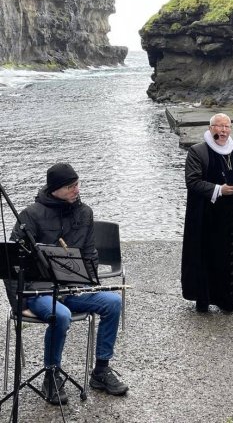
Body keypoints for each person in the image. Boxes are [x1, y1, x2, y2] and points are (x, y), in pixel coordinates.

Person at [6, 163, 128, 405]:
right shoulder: (30, 215)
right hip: (40, 292)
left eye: (77, 184)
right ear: (55, 189)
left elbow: (90, 254)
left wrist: (88, 281)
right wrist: (19, 302)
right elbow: (11, 264)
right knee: (60, 315)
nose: (76, 190)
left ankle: (101, 371)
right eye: (70, 186)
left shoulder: (85, 213)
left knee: (113, 302)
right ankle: (51, 374)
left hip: (72, 288)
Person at [181, 113, 233, 313]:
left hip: (232, 215)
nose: (223, 131)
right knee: (208, 257)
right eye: (219, 127)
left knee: (231, 255)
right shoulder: (197, 151)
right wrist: (219, 190)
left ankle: (230, 299)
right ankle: (204, 299)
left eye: (227, 127)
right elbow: (192, 181)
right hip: (206, 215)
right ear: (210, 127)